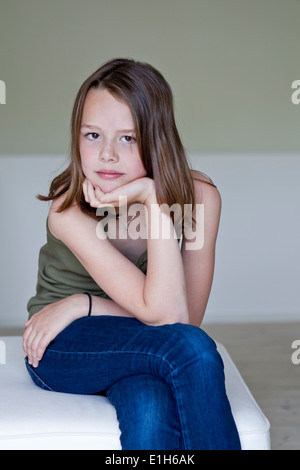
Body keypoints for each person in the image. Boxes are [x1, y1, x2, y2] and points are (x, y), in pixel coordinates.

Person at [23, 58, 241, 450]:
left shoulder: (200, 199)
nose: (107, 154)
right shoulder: (67, 208)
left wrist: (152, 199)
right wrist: (77, 310)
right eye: (92, 135)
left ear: (157, 139)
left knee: (149, 403)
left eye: (128, 138)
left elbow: (182, 316)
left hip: (139, 338)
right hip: (61, 343)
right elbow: (172, 323)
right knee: (193, 350)